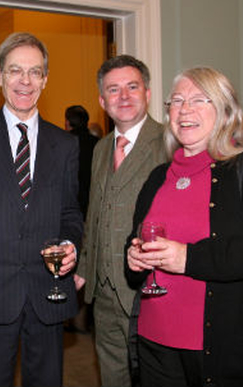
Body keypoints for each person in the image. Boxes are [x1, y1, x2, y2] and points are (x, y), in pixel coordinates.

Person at [125, 66, 243, 386]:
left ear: (226, 110)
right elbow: (135, 243)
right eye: (177, 101)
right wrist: (133, 258)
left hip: (224, 349)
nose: (185, 109)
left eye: (199, 99)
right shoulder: (157, 178)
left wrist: (189, 259)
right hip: (154, 343)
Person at [0, 32, 83, 387]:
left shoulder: (65, 145)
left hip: (47, 291)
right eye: (15, 71)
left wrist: (71, 245)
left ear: (45, 79)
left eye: (34, 72)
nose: (25, 81)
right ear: (0, 75)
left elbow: (70, 213)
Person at [74, 54, 167, 387]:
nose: (123, 97)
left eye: (132, 87)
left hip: (152, 291)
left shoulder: (170, 142)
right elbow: (95, 212)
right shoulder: (100, 149)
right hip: (105, 294)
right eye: (114, 90)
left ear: (148, 93)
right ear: (102, 100)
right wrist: (85, 269)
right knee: (113, 375)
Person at [65, 104, 99, 218]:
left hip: (70, 206)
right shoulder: (99, 144)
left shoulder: (63, 143)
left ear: (68, 122)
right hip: (93, 205)